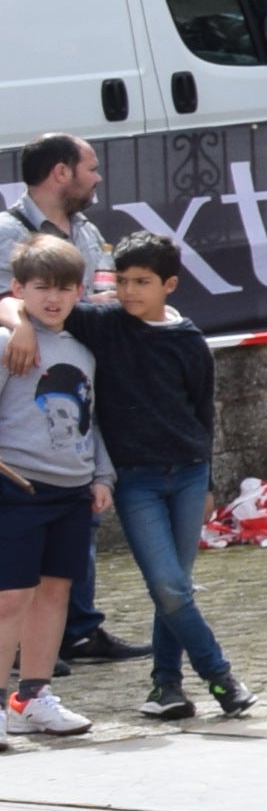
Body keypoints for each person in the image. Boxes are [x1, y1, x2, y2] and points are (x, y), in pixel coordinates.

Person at [77, 234, 246, 721]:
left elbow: (202, 415)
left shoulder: (189, 341)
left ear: (169, 284)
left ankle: (165, 688)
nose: (129, 291)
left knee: (175, 586)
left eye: (142, 282)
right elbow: (23, 303)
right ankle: (221, 677)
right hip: (136, 481)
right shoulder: (104, 323)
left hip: (190, 476)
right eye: (122, 280)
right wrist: (19, 328)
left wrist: (210, 480)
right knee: (169, 587)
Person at [6, 137, 123, 666]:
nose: (97, 178)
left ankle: (70, 639)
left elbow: (103, 293)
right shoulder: (9, 229)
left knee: (61, 574)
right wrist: (18, 325)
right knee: (14, 588)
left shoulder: (90, 232)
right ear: (60, 172)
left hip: (80, 410)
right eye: (90, 168)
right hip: (22, 467)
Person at [0, 239, 107, 740]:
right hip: (17, 487)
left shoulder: (86, 347)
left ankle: (32, 696)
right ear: (19, 288)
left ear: (79, 291)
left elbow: (95, 420)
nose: (53, 298)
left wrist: (102, 476)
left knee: (55, 592)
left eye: (64, 288)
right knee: (10, 598)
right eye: (41, 287)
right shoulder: (10, 342)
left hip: (73, 489)